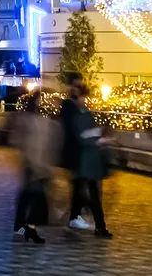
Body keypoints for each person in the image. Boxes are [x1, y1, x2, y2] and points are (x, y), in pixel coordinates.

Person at [59, 77, 111, 237]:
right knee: (91, 192)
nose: (85, 100)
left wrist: (98, 136)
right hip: (84, 158)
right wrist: (99, 137)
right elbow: (82, 135)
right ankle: (98, 225)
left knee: (84, 189)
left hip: (86, 158)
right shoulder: (76, 113)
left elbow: (85, 133)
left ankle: (77, 217)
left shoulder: (81, 113)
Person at [10, 92, 55, 244]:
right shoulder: (29, 120)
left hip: (35, 164)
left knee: (28, 196)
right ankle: (28, 228)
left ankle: (25, 227)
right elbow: (23, 141)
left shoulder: (33, 119)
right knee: (33, 198)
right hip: (34, 165)